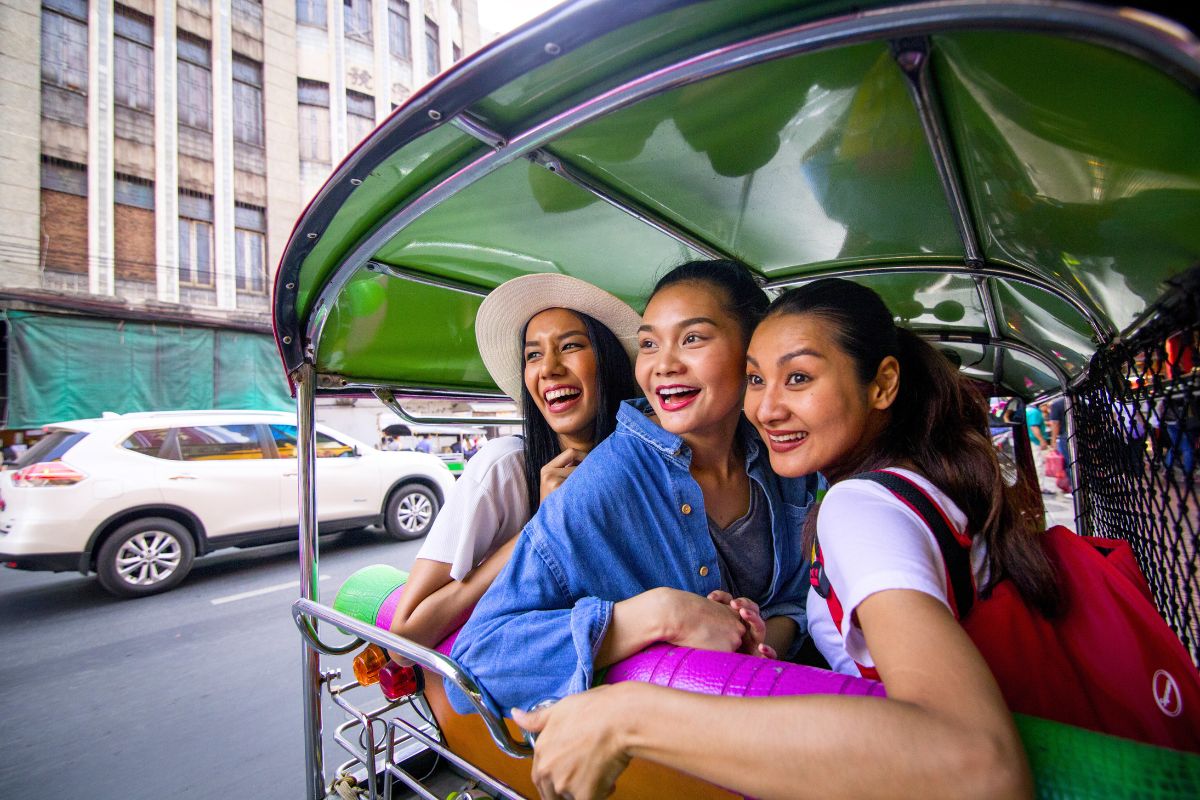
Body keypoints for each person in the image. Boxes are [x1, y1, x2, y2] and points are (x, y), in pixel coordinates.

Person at [512, 278, 1042, 800]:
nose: (766, 410)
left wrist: (629, 717)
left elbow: (977, 764)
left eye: (799, 378)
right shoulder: (909, 480)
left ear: (881, 385)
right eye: (759, 380)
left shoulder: (854, 506)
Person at [446, 259, 821, 717]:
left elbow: (795, 596)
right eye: (649, 344)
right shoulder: (603, 485)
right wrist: (659, 615)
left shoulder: (784, 461)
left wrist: (759, 640)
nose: (663, 365)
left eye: (692, 338)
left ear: (752, 352)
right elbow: (477, 662)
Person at [386, 273, 639, 650]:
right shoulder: (504, 468)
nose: (548, 368)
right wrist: (541, 526)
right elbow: (405, 635)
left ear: (609, 361)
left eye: (569, 346)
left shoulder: (645, 466)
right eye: (533, 354)